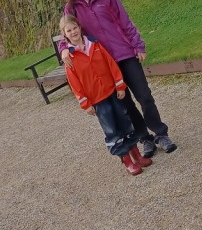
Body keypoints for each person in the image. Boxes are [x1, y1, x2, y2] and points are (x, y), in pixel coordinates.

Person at [58, 0, 177, 158]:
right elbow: (67, 31)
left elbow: (124, 20)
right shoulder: (71, 8)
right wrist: (63, 50)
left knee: (144, 96)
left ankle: (161, 134)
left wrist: (138, 45)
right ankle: (145, 139)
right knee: (126, 105)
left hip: (125, 53)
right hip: (104, 64)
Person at [59, 15, 150, 175]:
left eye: (75, 28)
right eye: (69, 30)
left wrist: (120, 85)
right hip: (97, 101)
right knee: (112, 130)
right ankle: (126, 160)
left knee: (125, 123)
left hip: (112, 92)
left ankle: (136, 155)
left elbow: (111, 65)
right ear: (64, 34)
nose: (73, 32)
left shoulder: (95, 45)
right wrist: (85, 103)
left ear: (80, 27)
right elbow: (75, 84)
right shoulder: (70, 58)